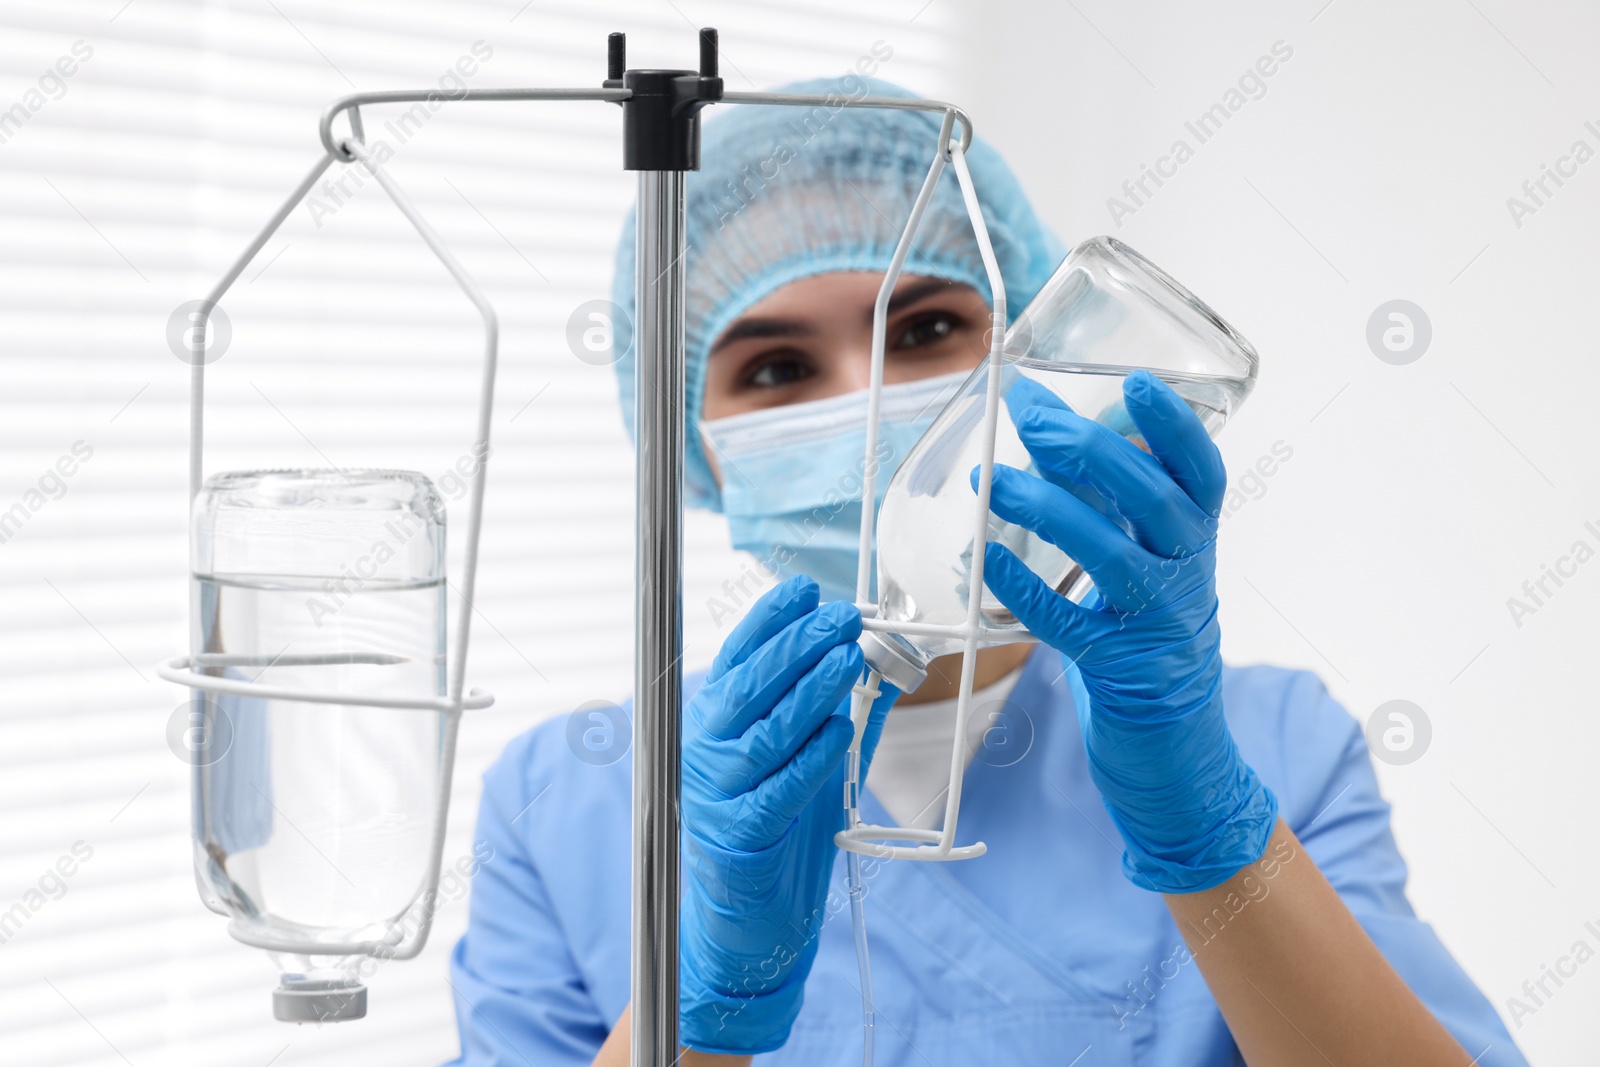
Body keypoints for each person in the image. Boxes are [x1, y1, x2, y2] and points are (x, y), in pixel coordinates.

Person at [445, 77, 1525, 1066]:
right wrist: (698, 1011)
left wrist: (1212, 840)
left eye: (924, 330)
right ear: (689, 436)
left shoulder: (1272, 745)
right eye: (775, 367)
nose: (869, 408)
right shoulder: (568, 802)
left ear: (1026, 361)